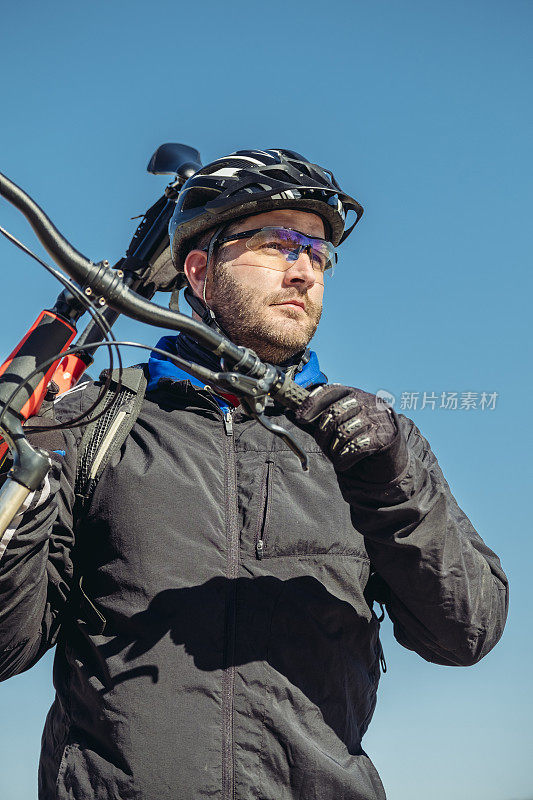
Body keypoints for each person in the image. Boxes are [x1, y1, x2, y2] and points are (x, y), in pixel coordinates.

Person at [0, 149, 508, 800]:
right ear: (199, 272)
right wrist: (23, 488)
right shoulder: (93, 423)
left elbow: (465, 632)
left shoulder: (371, 446)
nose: (304, 271)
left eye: (317, 252)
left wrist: (393, 482)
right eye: (277, 244)